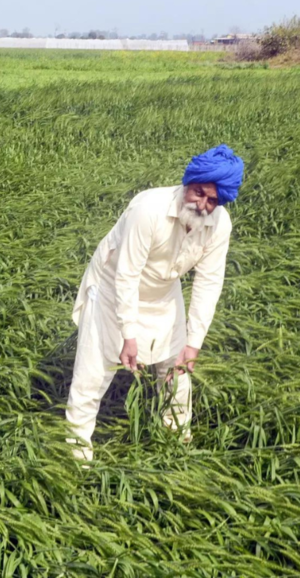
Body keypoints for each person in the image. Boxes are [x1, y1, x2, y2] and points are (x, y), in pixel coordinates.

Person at [65, 145, 244, 461]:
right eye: (198, 193)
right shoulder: (148, 209)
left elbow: (209, 282)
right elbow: (127, 273)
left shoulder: (220, 225)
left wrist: (193, 343)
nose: (203, 205)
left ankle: (176, 445)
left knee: (178, 374)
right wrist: (129, 334)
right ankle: (77, 456)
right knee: (91, 378)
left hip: (163, 294)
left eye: (212, 200)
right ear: (188, 182)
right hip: (112, 291)